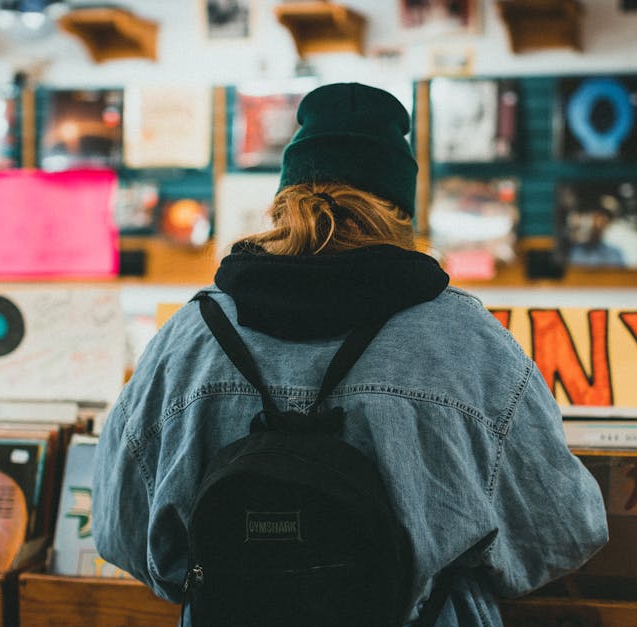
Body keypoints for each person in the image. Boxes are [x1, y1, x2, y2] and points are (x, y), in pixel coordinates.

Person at [93, 82, 608, 626]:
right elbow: (562, 532)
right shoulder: (468, 343)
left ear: (283, 198)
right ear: (399, 209)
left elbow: (119, 528)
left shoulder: (189, 338)